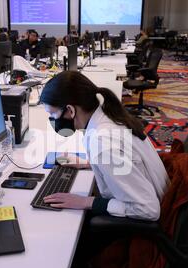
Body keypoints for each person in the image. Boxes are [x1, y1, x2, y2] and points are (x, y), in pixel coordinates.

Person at [41, 71, 170, 220]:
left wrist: (86, 201)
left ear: (70, 110)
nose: (53, 120)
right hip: (156, 191)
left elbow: (148, 209)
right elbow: (124, 160)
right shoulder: (107, 114)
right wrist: (89, 163)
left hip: (146, 223)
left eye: (53, 115)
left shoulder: (102, 141)